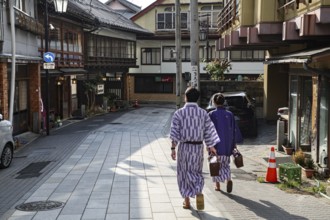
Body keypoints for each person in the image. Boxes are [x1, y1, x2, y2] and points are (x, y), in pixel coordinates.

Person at [169, 87, 220, 210]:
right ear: (197, 99)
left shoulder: (179, 113)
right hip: (198, 148)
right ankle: (198, 191)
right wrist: (211, 146)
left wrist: (173, 148)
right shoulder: (203, 113)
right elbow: (209, 130)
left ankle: (187, 202)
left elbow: (174, 132)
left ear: (185, 97)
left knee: (183, 173)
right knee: (196, 172)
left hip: (185, 147)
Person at [208, 92, 243, 193]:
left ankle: (217, 185)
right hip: (227, 144)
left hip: (215, 144)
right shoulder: (230, 114)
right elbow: (234, 130)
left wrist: (208, 144)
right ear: (224, 102)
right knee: (226, 164)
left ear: (214, 102)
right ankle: (228, 179)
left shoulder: (211, 114)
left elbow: (208, 130)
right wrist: (234, 143)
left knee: (215, 164)